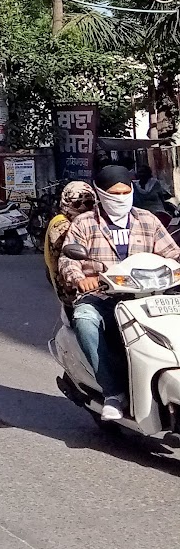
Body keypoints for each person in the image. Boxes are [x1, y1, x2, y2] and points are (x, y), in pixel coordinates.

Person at [58, 163, 180, 422]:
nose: (121, 198)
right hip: (102, 296)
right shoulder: (84, 223)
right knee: (85, 320)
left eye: (126, 192)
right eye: (115, 193)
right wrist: (81, 279)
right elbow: (68, 261)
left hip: (149, 297)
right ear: (100, 193)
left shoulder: (147, 220)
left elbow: (173, 254)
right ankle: (113, 392)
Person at [43, 181, 94, 302]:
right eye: (77, 203)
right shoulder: (62, 225)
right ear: (67, 201)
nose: (82, 207)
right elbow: (65, 260)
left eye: (88, 203)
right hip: (71, 285)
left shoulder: (77, 221)